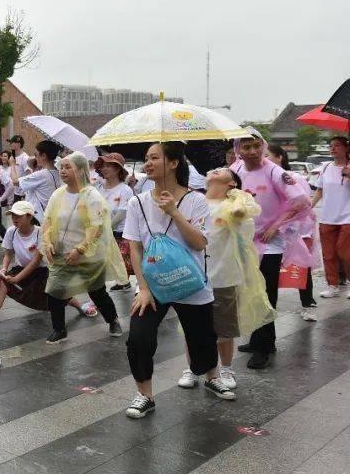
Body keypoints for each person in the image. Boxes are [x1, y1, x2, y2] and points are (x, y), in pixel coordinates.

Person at [123, 142, 233, 419]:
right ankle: (144, 395)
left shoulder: (195, 200)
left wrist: (174, 212)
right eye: (146, 158)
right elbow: (134, 247)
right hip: (153, 286)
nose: (148, 163)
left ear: (173, 163)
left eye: (155, 158)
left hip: (189, 282)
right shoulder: (137, 202)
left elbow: (199, 243)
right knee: (138, 339)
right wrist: (143, 288)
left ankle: (211, 376)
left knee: (203, 341)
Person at [231, 130, 311, 368]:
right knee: (250, 291)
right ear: (238, 150)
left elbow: (301, 202)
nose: (253, 152)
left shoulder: (276, 172)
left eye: (257, 146)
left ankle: (264, 348)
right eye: (246, 148)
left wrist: (277, 226)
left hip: (269, 243)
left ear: (263, 146)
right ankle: (261, 338)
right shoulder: (235, 172)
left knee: (266, 293)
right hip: (245, 242)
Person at [39, 152, 126, 343]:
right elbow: (48, 220)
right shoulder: (58, 194)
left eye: (68, 167)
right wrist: (47, 242)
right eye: (61, 167)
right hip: (62, 253)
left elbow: (97, 227)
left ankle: (113, 320)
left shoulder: (92, 196)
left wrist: (81, 249)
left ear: (80, 170)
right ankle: (59, 330)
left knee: (96, 291)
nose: (63, 171)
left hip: (89, 257)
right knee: (54, 290)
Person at [205, 167, 266, 391]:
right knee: (192, 326)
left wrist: (239, 197)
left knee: (224, 328)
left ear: (231, 183)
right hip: (195, 275)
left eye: (222, 170)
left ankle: (226, 368)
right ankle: (193, 367)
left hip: (223, 275)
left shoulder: (234, 204)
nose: (215, 170)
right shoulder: (194, 200)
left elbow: (245, 216)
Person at [267, 143, 320, 319]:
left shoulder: (294, 177)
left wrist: (286, 225)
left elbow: (302, 205)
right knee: (269, 272)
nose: (264, 159)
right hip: (270, 234)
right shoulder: (262, 178)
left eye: (267, 155)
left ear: (279, 157)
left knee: (300, 265)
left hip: (294, 230)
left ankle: (308, 304)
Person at [313, 136, 350, 299]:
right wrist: (311, 204)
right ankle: (332, 285)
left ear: (346, 148)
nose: (333, 148)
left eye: (337, 145)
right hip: (327, 217)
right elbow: (319, 189)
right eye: (331, 145)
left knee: (345, 252)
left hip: (347, 217)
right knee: (328, 254)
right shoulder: (326, 167)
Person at [98, 153, 135, 292]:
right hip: (101, 233)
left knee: (124, 264)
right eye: (103, 165)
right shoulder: (99, 188)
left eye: (108, 166)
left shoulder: (125, 190)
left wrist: (105, 229)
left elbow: (121, 213)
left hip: (118, 234)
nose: (104, 168)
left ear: (118, 169)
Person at [10, 140, 62, 223]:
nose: (35, 158)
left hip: (38, 218)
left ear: (44, 156)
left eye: (36, 155)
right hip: (50, 215)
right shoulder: (58, 172)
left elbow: (15, 181)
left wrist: (12, 164)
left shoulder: (42, 174)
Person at [7, 135, 32, 202]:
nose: (10, 144)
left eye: (12, 142)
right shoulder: (13, 157)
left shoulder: (25, 158)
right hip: (16, 193)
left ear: (18, 144)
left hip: (23, 194)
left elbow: (29, 175)